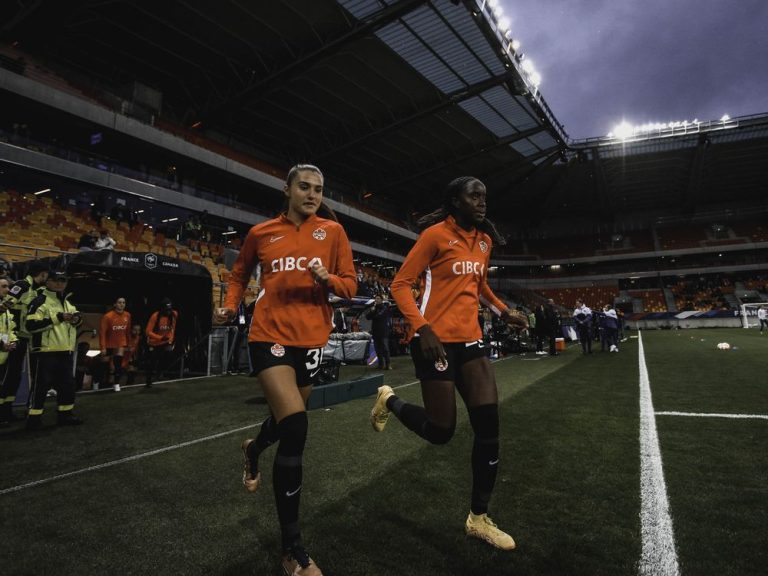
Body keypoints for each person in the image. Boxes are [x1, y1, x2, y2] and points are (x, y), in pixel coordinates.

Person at [370, 176, 528, 551]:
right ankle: (389, 399)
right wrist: (422, 329)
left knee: (489, 427)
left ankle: (478, 518)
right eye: (474, 195)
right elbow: (399, 284)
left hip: (470, 341)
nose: (481, 201)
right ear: (455, 200)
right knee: (441, 431)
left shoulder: (485, 241)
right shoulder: (434, 237)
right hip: (434, 344)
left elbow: (480, 287)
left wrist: (504, 312)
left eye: (484, 195)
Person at [215, 164, 356, 576]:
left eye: (318, 189)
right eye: (305, 187)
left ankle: (253, 449)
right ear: (288, 189)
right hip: (268, 334)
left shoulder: (333, 232)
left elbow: (350, 286)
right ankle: (292, 548)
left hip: (311, 340)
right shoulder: (261, 233)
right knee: (295, 428)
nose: (312, 194)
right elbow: (239, 275)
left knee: (285, 422)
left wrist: (327, 278)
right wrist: (229, 304)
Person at [24, 271, 84, 430]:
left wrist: (77, 319)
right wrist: (58, 318)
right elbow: (30, 326)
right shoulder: (39, 300)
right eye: (56, 280)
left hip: (65, 351)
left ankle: (65, 415)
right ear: (48, 282)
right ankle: (33, 419)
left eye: (63, 280)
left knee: (67, 385)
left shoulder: (67, 302)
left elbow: (77, 319)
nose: (60, 283)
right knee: (40, 387)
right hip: (44, 352)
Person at [0, 261, 48, 426]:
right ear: (41, 274)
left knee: (15, 375)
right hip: (14, 337)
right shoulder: (22, 285)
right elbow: (6, 304)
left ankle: (7, 410)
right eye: (45, 274)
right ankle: (2, 412)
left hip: (25, 337)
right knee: (8, 375)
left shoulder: (37, 290)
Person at [99, 297, 132, 391]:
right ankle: (99, 383)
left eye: (124, 302)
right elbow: (102, 332)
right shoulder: (108, 316)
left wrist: (129, 343)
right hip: (108, 343)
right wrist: (103, 347)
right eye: (119, 302)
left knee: (118, 364)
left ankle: (116, 383)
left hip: (120, 343)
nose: (122, 304)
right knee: (104, 364)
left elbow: (128, 331)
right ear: (115, 304)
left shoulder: (127, 315)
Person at [144, 297, 178, 388]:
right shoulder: (155, 316)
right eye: (166, 310)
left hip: (165, 341)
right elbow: (148, 331)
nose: (168, 312)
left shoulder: (174, 314)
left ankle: (160, 373)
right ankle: (148, 380)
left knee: (168, 354)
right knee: (152, 361)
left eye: (170, 309)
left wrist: (170, 339)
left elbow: (172, 329)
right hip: (154, 342)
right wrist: (160, 338)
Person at [0, 277, 19, 427]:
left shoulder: (5, 307)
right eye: (4, 287)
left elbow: (9, 327)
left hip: (3, 355)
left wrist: (13, 341)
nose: (8, 290)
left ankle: (4, 414)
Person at [366, 293, 393, 369]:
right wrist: (372, 311)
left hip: (383, 331)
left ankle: (388, 364)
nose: (376, 300)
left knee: (385, 348)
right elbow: (367, 317)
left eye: (378, 298)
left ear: (381, 300)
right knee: (377, 349)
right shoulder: (374, 308)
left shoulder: (384, 308)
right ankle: (380, 364)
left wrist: (373, 313)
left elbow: (379, 316)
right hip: (375, 331)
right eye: (376, 299)